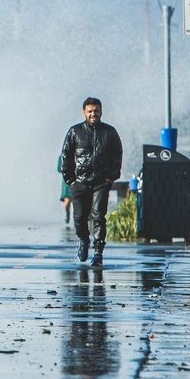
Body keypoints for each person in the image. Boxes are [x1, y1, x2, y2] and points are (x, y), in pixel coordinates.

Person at [59, 97, 123, 267]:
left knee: (98, 216)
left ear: (101, 111)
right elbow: (65, 155)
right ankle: (83, 241)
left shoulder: (110, 132)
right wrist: (70, 179)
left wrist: (112, 176)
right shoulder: (75, 131)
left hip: (101, 182)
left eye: (96, 111)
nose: (93, 114)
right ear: (84, 112)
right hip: (79, 181)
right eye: (90, 111)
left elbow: (118, 154)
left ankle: (98, 252)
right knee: (79, 218)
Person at [58, 154, 72, 225]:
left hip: (78, 179)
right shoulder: (62, 156)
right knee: (67, 201)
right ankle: (67, 213)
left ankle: (78, 218)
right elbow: (59, 169)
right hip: (67, 181)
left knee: (78, 201)